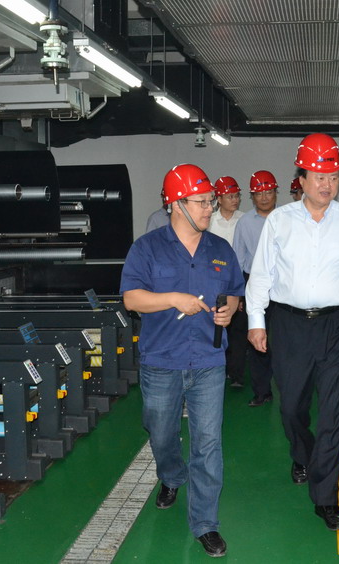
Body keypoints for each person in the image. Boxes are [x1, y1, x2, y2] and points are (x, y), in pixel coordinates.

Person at [246, 133, 339, 531]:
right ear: (301, 179)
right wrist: (256, 320)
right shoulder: (280, 221)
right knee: (291, 407)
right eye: (319, 176)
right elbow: (262, 273)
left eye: (333, 177)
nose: (327, 184)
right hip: (289, 325)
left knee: (335, 413)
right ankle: (302, 453)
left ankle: (325, 496)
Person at [121, 164, 245, 558]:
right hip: (162, 360)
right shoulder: (147, 248)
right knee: (161, 431)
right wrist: (173, 298)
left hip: (209, 359)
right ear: (177, 205)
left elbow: (234, 292)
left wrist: (230, 311)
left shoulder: (220, 249)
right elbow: (131, 299)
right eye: (202, 202)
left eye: (211, 201)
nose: (210, 208)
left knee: (208, 442)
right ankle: (172, 475)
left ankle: (205, 523)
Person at [232, 170, 278, 406]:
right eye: (259, 193)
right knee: (258, 338)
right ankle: (262, 391)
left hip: (283, 285)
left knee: (284, 340)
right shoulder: (245, 223)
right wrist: (240, 295)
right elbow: (238, 259)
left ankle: (291, 390)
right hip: (254, 283)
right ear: (252, 196)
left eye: (268, 192)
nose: (264, 197)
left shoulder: (286, 218)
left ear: (275, 193)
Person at [209, 176, 246, 389]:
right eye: (230, 196)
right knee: (216, 325)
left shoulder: (244, 220)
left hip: (238, 279)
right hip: (214, 280)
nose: (235, 200)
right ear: (219, 198)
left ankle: (237, 374)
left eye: (237, 195)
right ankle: (218, 370)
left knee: (238, 331)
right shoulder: (209, 221)